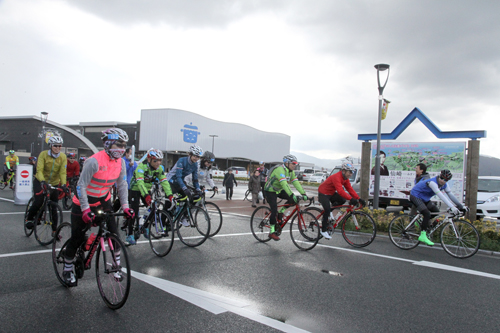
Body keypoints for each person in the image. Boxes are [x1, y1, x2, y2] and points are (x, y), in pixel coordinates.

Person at [61, 128, 134, 287]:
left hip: (103, 200)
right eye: (118, 145)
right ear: (108, 144)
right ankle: (67, 269)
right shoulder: (93, 161)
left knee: (114, 234)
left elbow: (122, 185)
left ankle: (116, 267)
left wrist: (126, 207)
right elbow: (81, 186)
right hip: (83, 202)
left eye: (124, 146)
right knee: (77, 237)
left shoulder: (120, 162)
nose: (122, 149)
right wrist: (86, 209)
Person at [127, 149, 173, 245]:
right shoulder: (141, 167)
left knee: (153, 208)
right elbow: (140, 182)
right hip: (135, 189)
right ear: (149, 160)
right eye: (155, 160)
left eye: (160, 160)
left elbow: (164, 182)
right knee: (134, 212)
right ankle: (130, 234)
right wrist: (146, 195)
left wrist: (169, 195)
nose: (158, 163)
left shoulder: (159, 169)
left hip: (146, 189)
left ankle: (145, 227)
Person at [410, 169, 467, 246]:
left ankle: (422, 223)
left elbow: (451, 195)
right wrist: (452, 207)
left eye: (445, 180)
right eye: (441, 178)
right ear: (439, 176)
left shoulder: (445, 185)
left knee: (436, 211)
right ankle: (422, 236)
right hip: (415, 196)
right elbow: (441, 196)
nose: (442, 181)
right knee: (427, 214)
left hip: (424, 198)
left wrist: (461, 206)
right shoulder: (433, 183)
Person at [25, 136, 67, 231]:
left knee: (54, 207)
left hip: (54, 183)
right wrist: (43, 181)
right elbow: (39, 170)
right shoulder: (43, 154)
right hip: (40, 181)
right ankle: (29, 218)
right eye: (55, 146)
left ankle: (55, 231)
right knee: (38, 201)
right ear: (50, 146)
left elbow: (62, 172)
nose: (58, 148)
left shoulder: (63, 157)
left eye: (60, 146)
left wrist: (64, 184)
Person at [264, 154, 308, 241]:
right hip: (269, 190)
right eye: (293, 163)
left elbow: (296, 183)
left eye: (296, 164)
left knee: (292, 200)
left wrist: (303, 194)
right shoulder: (280, 170)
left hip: (278, 190)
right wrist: (291, 194)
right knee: (274, 210)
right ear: (287, 163)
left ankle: (281, 212)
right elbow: (284, 184)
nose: (295, 165)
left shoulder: (291, 172)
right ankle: (272, 232)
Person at [317, 162, 366, 239]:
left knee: (342, 200)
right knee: (326, 210)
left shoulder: (345, 179)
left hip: (331, 193)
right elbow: (340, 191)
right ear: (344, 171)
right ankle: (323, 231)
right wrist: (350, 199)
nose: (351, 174)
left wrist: (358, 198)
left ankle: (330, 212)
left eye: (352, 172)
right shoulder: (337, 177)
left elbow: (350, 189)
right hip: (323, 193)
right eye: (350, 172)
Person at [166, 145, 204, 225]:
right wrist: (184, 188)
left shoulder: (195, 164)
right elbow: (178, 176)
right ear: (190, 154)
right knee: (168, 204)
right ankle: (162, 224)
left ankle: (182, 217)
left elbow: (195, 179)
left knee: (192, 198)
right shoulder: (182, 160)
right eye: (195, 156)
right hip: (171, 181)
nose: (196, 158)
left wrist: (198, 189)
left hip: (179, 182)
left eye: (198, 157)